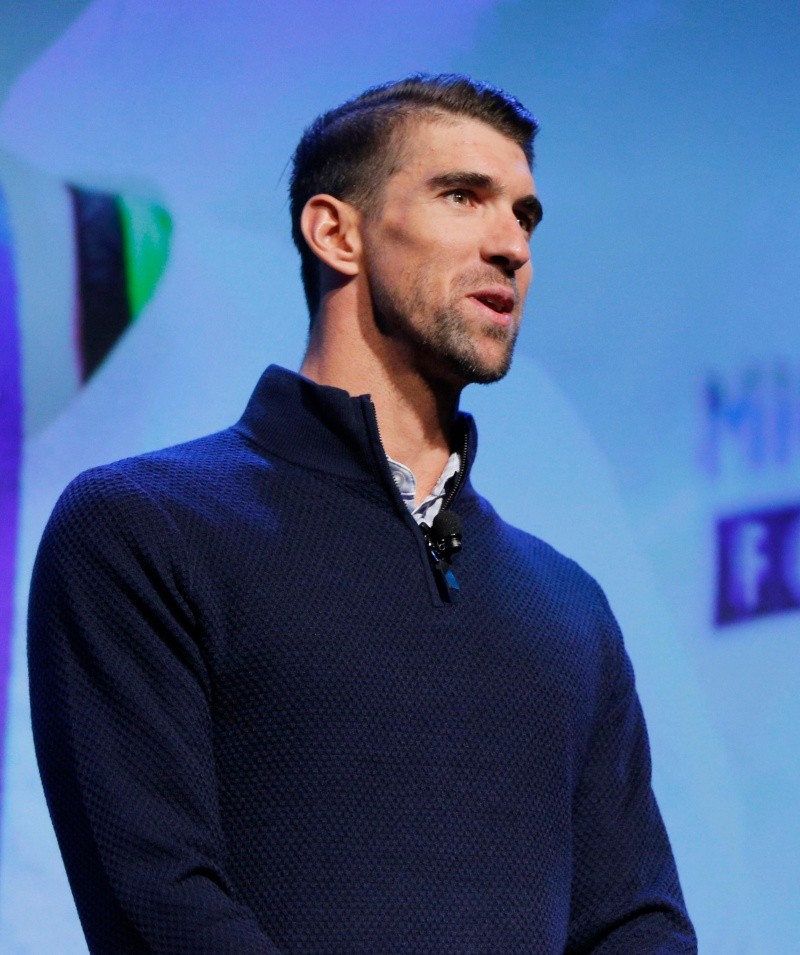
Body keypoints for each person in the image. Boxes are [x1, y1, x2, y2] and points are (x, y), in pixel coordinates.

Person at [29, 74, 696, 953]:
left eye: (526, 217)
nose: (511, 245)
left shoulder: (566, 604)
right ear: (335, 232)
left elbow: (635, 922)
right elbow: (162, 900)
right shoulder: (144, 528)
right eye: (463, 196)